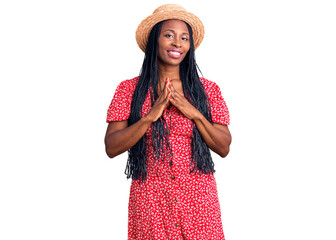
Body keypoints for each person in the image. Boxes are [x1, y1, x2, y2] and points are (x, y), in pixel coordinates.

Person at [104, 4, 231, 240]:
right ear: (155, 41)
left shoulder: (209, 91)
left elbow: (224, 147)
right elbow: (111, 147)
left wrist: (194, 113)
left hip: (198, 198)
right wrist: (151, 116)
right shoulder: (129, 90)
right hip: (151, 199)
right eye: (169, 35)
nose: (177, 43)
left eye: (184, 38)